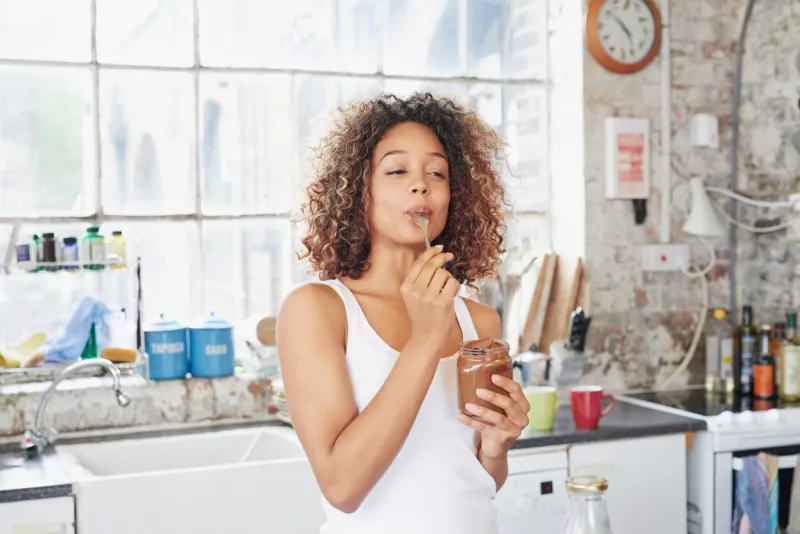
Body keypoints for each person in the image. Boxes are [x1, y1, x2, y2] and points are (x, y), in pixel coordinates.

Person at [277, 93, 530, 534]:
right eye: (397, 171)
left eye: (437, 172)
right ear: (359, 191)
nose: (421, 185)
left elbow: (475, 482)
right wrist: (427, 339)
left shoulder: (479, 323)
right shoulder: (318, 310)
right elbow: (342, 486)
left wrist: (496, 448)